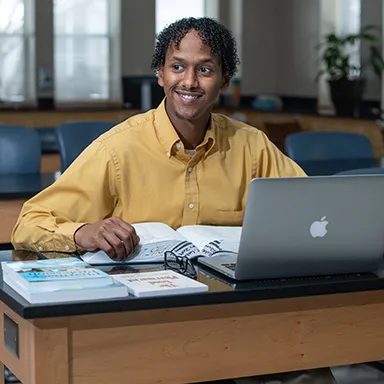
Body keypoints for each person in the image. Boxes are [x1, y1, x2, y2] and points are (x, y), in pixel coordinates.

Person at [12, 17, 335, 384]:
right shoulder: (117, 148)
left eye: (206, 69)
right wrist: (84, 231)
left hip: (237, 320)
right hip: (143, 324)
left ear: (226, 80)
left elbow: (314, 212)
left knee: (316, 367)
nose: (190, 81)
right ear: (160, 75)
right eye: (177, 67)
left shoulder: (252, 146)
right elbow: (29, 223)